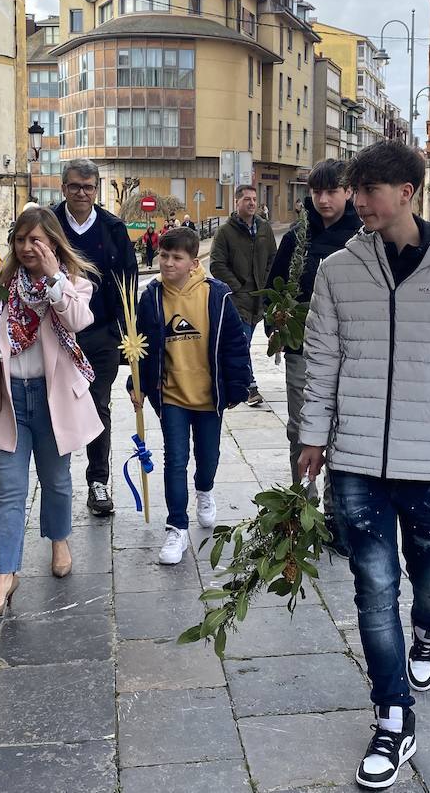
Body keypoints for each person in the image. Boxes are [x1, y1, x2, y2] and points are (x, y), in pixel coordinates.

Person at [297, 140, 430, 790]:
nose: (359, 201)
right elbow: (321, 358)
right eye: (355, 190)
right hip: (356, 462)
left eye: (370, 190)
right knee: (373, 588)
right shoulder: (337, 270)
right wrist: (313, 435)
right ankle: (392, 716)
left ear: (407, 192)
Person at [0, 207, 101, 620]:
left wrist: (52, 278)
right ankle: (3, 577)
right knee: (7, 491)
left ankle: (59, 538)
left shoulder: (74, 283)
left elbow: (78, 321)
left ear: (53, 243)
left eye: (36, 240)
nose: (27, 248)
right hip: (8, 400)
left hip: (51, 398)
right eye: (21, 240)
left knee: (57, 480)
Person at [129, 227, 252, 564]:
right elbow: (140, 346)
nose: (168, 263)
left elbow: (233, 344)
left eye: (176, 258)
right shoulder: (151, 297)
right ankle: (177, 528)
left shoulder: (217, 295)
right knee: (174, 459)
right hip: (171, 396)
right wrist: (134, 384)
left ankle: (205, 489)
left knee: (208, 456)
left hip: (209, 396)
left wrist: (239, 384)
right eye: (164, 256)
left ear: (193, 262)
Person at [265, 158, 360, 555]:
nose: (323, 199)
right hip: (302, 348)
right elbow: (276, 285)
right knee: (302, 428)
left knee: (342, 432)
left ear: (349, 192)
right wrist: (276, 321)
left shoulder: (363, 234)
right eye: (317, 191)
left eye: (331, 191)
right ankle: (303, 508)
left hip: (351, 351)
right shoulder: (296, 235)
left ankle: (339, 516)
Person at [52, 159, 139, 517]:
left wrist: (128, 333)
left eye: (88, 187)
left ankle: (97, 481)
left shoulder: (113, 228)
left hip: (101, 334)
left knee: (98, 406)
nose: (82, 193)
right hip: (56, 335)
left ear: (96, 189)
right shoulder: (49, 224)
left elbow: (129, 282)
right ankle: (56, 481)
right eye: (74, 186)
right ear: (64, 189)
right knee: (55, 407)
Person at [209, 184, 276, 406]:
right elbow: (217, 265)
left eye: (254, 199)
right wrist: (236, 287)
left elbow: (273, 259)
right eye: (247, 199)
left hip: (259, 298)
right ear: (236, 202)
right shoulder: (225, 232)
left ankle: (232, 380)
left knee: (240, 345)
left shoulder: (264, 228)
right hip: (238, 299)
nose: (252, 203)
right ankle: (249, 387)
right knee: (242, 343)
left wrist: (267, 282)